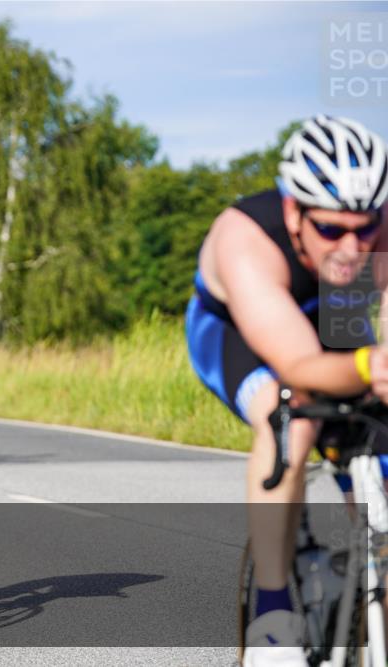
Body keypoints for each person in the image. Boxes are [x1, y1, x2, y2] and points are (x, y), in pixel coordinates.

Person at [185, 115, 388, 666]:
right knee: (291, 418)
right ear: (295, 211)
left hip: (335, 319)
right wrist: (370, 366)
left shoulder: (375, 227)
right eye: (331, 230)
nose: (353, 247)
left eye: (365, 228)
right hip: (237, 332)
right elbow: (300, 366)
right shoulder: (247, 238)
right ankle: (272, 617)